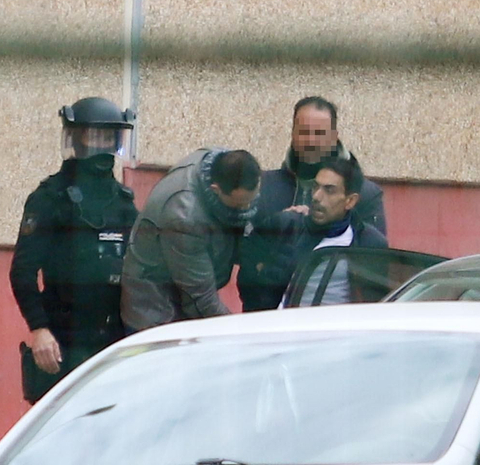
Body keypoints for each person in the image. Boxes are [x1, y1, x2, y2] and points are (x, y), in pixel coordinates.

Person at [9, 96, 139, 403]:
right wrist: (39, 329)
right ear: (76, 137)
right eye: (95, 135)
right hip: (62, 337)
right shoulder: (50, 198)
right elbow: (22, 271)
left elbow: (141, 268)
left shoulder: (122, 201)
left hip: (111, 339)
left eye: (110, 136)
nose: (103, 144)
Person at [120, 148, 261, 330]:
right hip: (155, 312)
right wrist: (238, 333)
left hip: (184, 293)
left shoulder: (217, 162)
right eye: (240, 204)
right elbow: (200, 300)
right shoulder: (183, 217)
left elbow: (240, 225)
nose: (247, 208)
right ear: (215, 190)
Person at [251, 156, 389, 308]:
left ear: (350, 201)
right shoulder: (287, 226)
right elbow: (248, 264)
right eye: (315, 187)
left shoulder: (369, 243)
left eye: (329, 190)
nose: (316, 196)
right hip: (282, 326)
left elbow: (374, 303)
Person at [253, 96, 387, 243]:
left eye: (319, 133)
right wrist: (277, 225)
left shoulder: (364, 193)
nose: (311, 141)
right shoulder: (263, 186)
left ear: (334, 137)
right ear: (292, 134)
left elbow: (373, 257)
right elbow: (247, 253)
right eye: (304, 132)